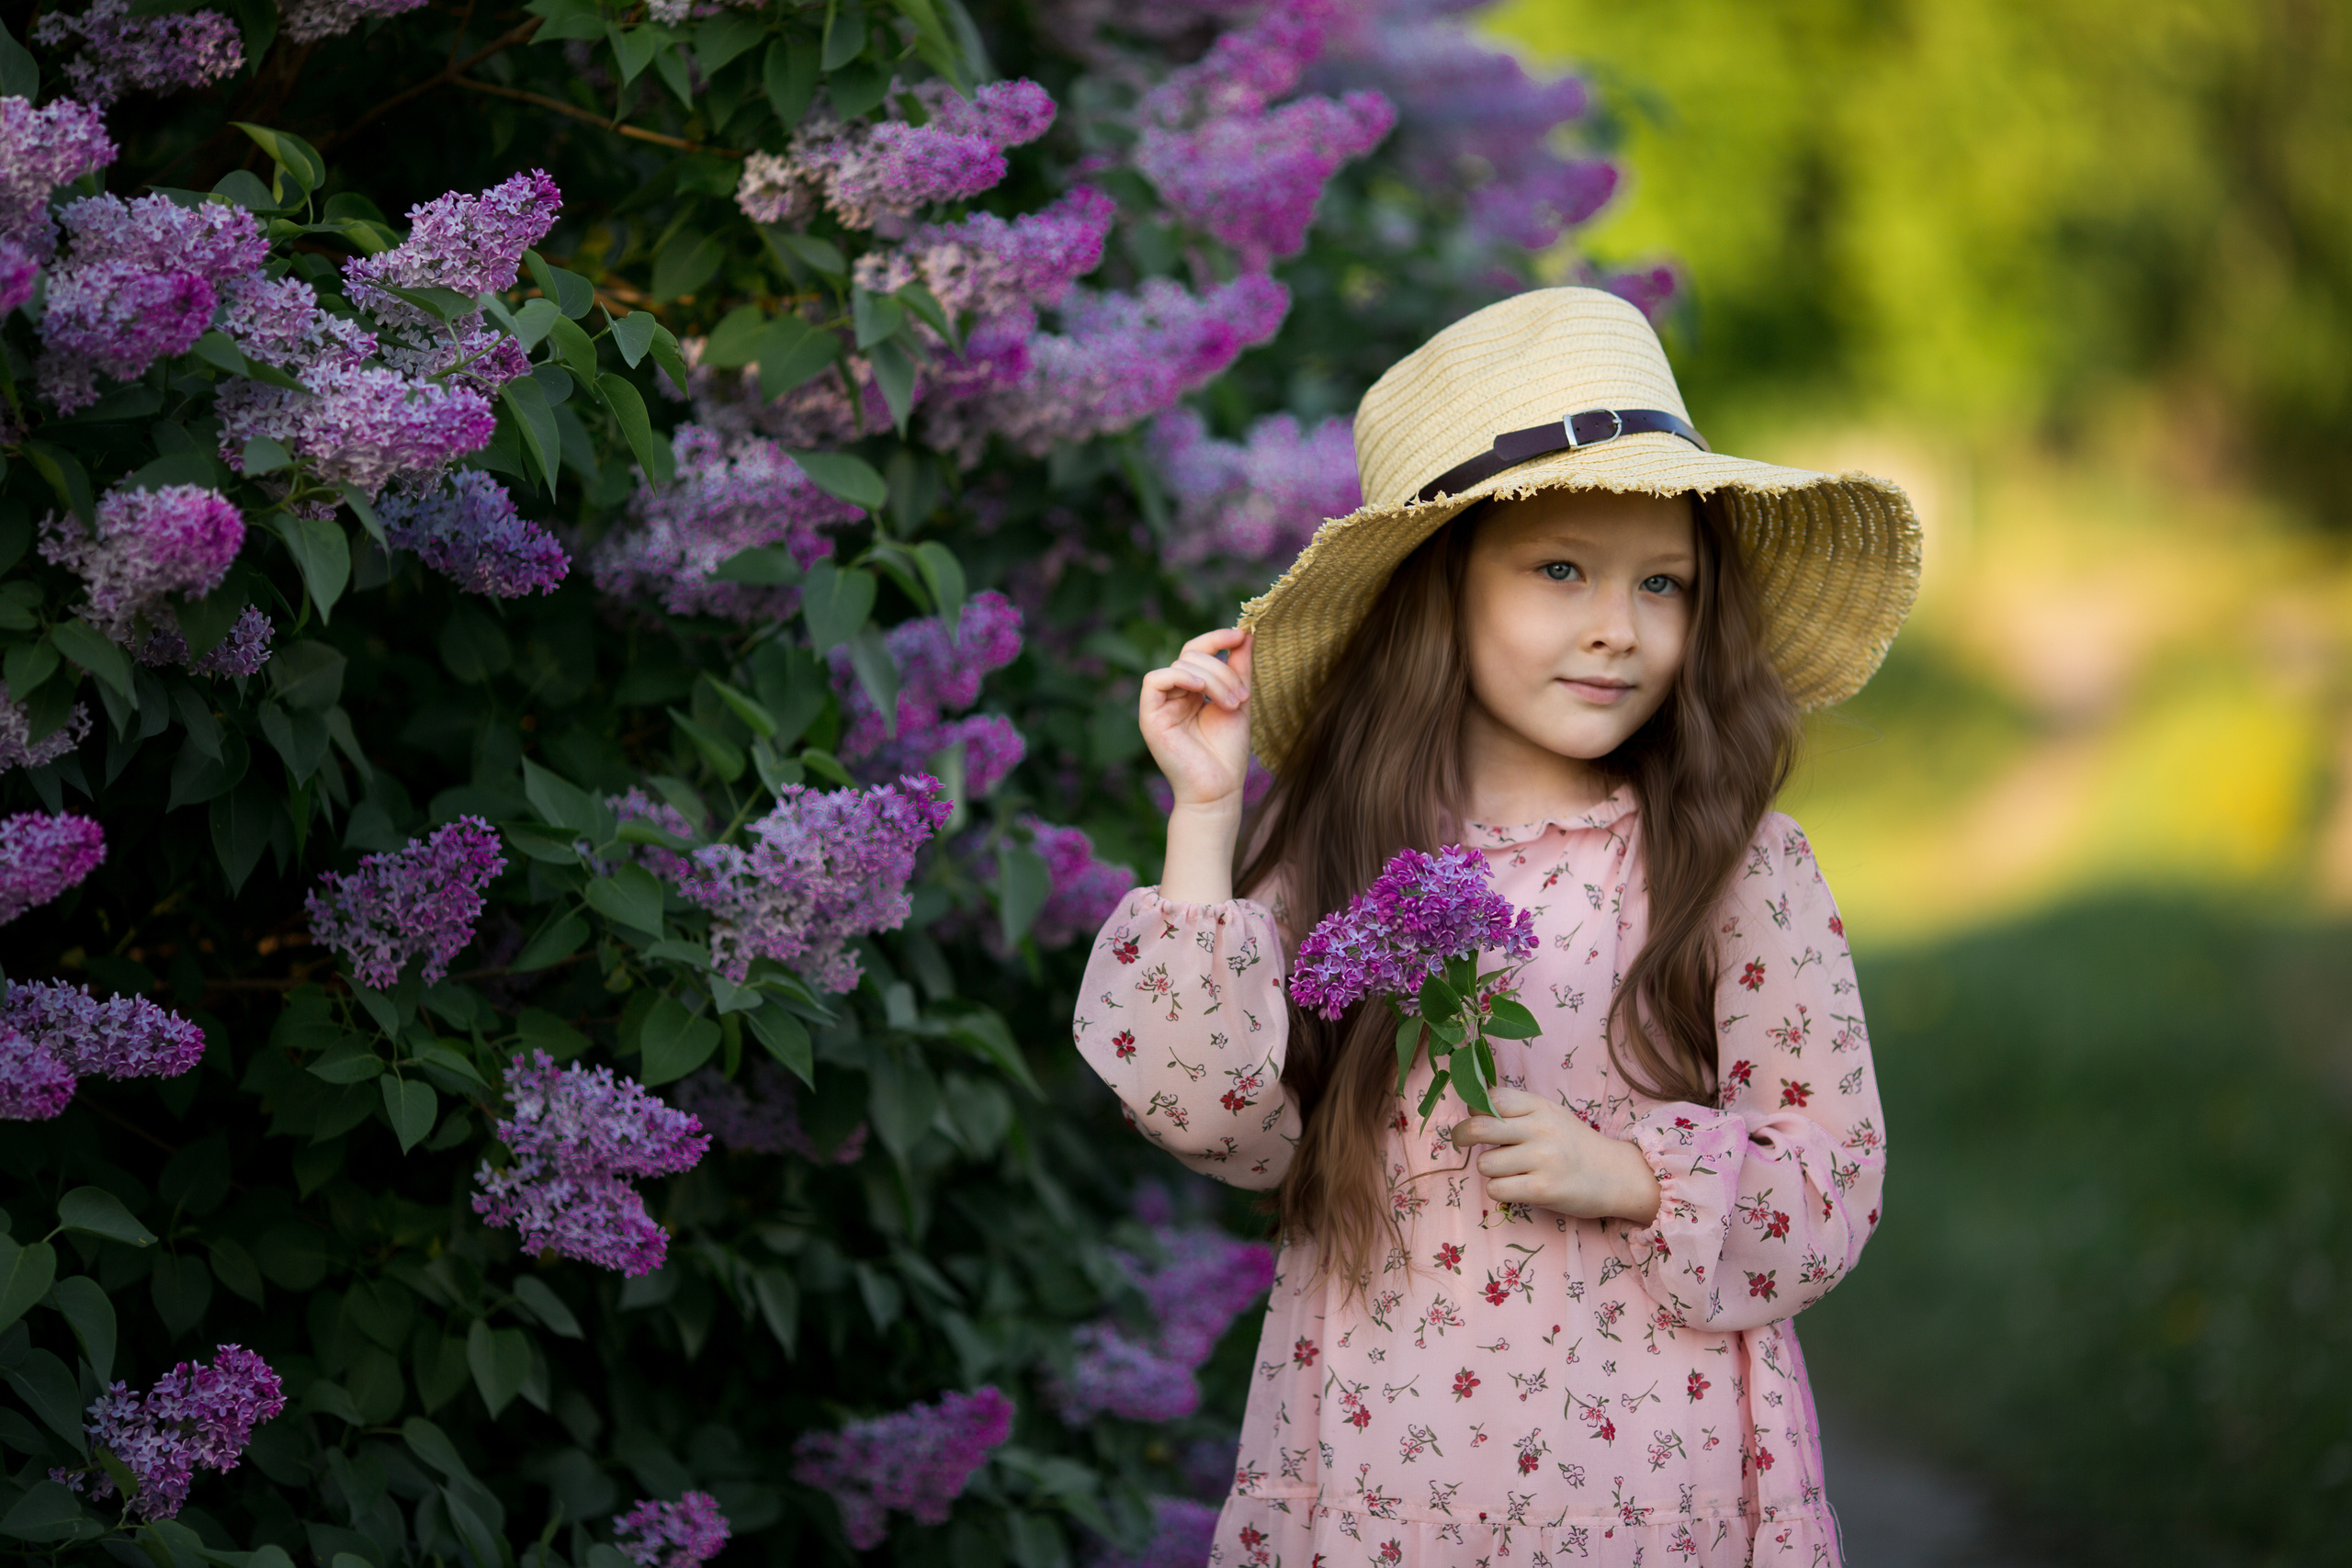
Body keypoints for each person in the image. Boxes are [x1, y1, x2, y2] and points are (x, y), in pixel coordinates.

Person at [1071, 288, 1921, 1565]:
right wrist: (1206, 815)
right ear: (1440, 586)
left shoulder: (1736, 863)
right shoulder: (1342, 850)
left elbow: (1837, 1177)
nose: (1615, 629)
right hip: (1373, 1478)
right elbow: (1216, 1122)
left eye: (1665, 584)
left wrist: (1632, 1173)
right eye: (1561, 569)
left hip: (1652, 1488)